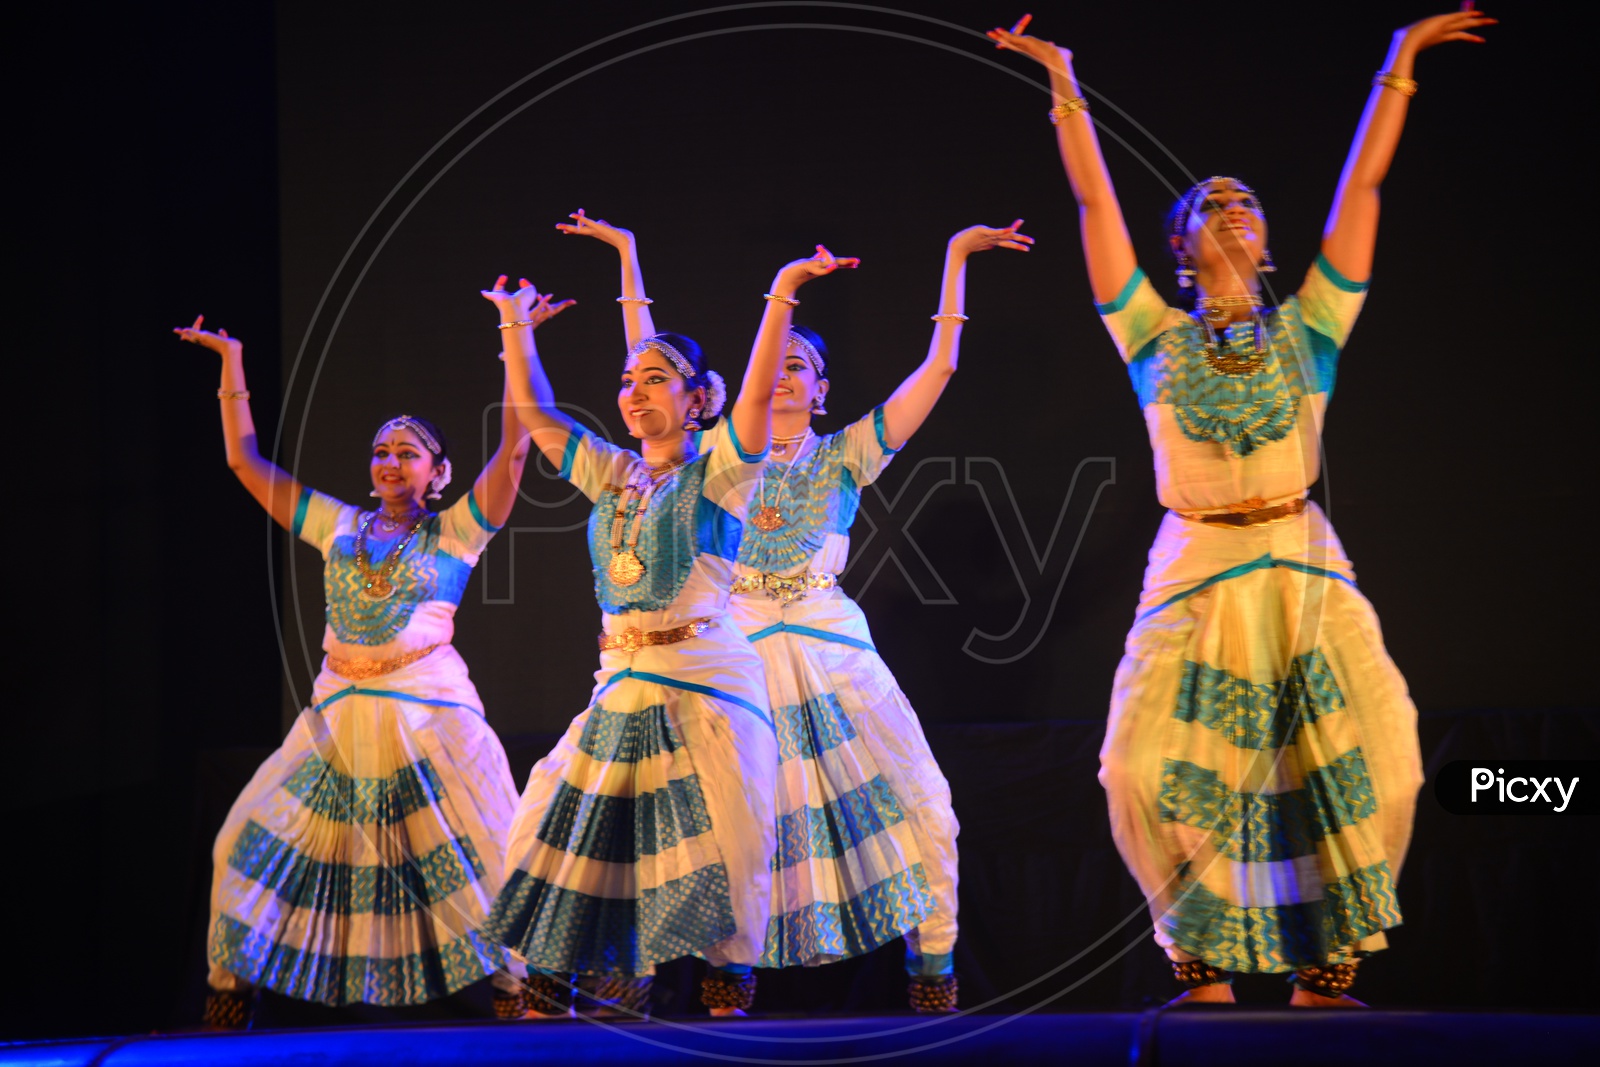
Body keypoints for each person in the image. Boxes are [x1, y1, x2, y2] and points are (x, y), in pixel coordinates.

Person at [988, 6, 1493, 1006]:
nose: (1229, 207)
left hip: (1301, 554)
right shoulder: (1149, 332)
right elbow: (1093, 203)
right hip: (1195, 561)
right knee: (1137, 769)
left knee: (1380, 763)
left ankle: (1327, 963)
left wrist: (1397, 60)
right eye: (1207, 203)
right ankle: (1201, 961)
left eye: (1245, 201)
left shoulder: (1313, 323)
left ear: (1265, 243)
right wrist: (1062, 81)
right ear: (1180, 243)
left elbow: (1363, 186)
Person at [555, 210, 1030, 1012]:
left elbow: (939, 367)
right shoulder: (712, 455)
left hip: (828, 649)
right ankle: (691, 982)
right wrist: (628, 259)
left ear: (822, 390)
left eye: (802, 365)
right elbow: (649, 355)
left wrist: (955, 260)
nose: (783, 374)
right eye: (777, 361)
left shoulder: (848, 454)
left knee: (921, 806)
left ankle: (934, 978)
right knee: (703, 825)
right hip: (730, 654)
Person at [482, 246, 857, 1018]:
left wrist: (782, 290)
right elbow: (538, 415)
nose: (634, 391)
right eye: (627, 380)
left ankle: (728, 986)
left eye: (655, 379)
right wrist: (516, 328)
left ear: (698, 401)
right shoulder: (611, 473)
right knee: (565, 826)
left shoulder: (722, 471)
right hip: (622, 679)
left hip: (707, 675)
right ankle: (591, 978)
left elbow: (757, 391)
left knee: (730, 834)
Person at [175, 296, 569, 1026]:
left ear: (439, 471)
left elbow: (516, 444)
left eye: (407, 452)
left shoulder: (457, 531)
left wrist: (517, 337)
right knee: (240, 842)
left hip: (428, 709)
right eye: (381, 451)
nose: (390, 462)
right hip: (338, 711)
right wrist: (232, 365)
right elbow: (242, 458)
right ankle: (228, 998)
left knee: (482, 852)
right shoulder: (337, 525)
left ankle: (525, 994)